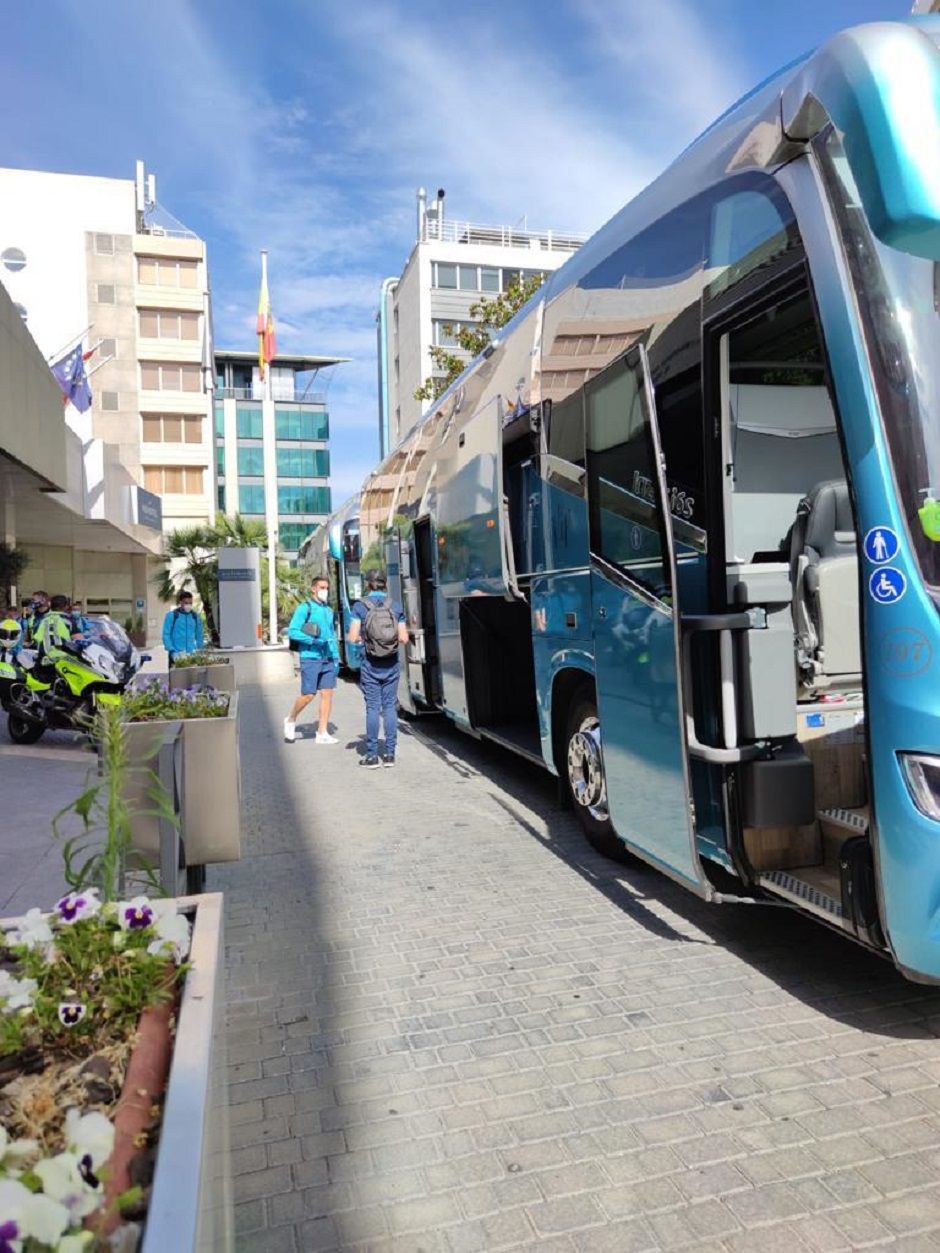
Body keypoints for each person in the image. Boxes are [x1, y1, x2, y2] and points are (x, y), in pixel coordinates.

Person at [347, 569, 409, 769]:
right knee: (389, 706)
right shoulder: (396, 606)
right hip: (391, 664)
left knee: (373, 707)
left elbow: (352, 637)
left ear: (368, 584)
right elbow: (404, 638)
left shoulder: (360, 606)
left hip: (370, 664)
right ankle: (390, 754)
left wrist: (366, 639)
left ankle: (372, 756)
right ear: (384, 584)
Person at [284, 574, 339, 744]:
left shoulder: (329, 611)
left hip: (328, 657)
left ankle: (322, 733)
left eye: (327, 588)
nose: (325, 591)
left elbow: (331, 635)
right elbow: (293, 631)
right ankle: (291, 719)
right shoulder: (304, 608)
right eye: (322, 587)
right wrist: (313, 641)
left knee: (327, 694)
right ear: (313, 589)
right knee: (308, 694)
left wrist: (336, 657)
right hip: (310, 657)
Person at [162, 590, 204, 663]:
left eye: (190, 603)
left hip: (191, 655)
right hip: (176, 653)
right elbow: (166, 634)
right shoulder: (172, 615)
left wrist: (200, 649)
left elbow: (199, 634)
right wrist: (171, 651)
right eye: (186, 603)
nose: (188, 605)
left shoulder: (195, 617)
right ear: (181, 602)